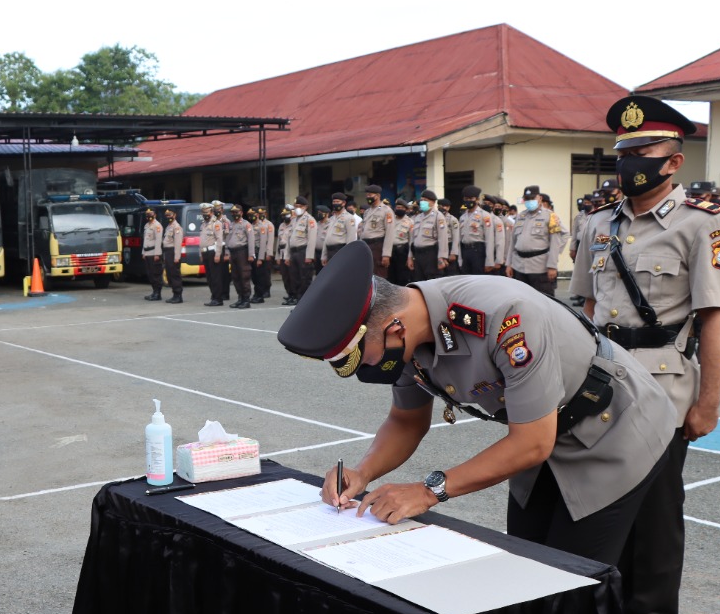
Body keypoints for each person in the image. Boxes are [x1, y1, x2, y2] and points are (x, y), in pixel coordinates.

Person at [276, 241, 675, 580]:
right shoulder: (405, 338)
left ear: (395, 329)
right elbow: (406, 419)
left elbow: (531, 443)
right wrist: (362, 473)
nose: (363, 370)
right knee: (528, 561)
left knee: (575, 573)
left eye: (360, 359)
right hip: (546, 428)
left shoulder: (506, 317)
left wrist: (429, 490)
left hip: (613, 425)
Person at [569, 94, 720, 614]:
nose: (631, 161)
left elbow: (714, 322)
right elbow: (583, 308)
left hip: (664, 384)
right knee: (593, 499)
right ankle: (600, 603)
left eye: (645, 151)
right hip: (599, 381)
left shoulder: (703, 223)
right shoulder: (597, 222)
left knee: (656, 511)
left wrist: (708, 404)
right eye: (624, 151)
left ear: (673, 162)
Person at [509, 185, 566, 296]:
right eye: (527, 199)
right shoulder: (520, 216)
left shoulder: (550, 216)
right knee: (522, 299)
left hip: (540, 267)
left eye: (532, 198)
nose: (530, 201)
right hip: (519, 266)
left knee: (544, 300)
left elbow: (555, 242)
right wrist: (509, 264)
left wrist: (552, 266)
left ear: (539, 198)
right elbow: (513, 242)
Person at [408, 190, 449, 281]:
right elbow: (412, 239)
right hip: (418, 254)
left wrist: (441, 257)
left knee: (432, 281)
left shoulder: (438, 216)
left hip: (431, 255)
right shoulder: (418, 217)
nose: (423, 202)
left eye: (426, 200)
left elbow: (443, 238)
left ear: (433, 202)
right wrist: (410, 257)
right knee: (419, 282)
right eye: (422, 200)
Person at [285, 196, 318, 304]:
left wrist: (309, 256)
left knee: (305, 279)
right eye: (295, 206)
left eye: (299, 206)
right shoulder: (293, 219)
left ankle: (306, 304)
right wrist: (287, 256)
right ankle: (299, 303)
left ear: (305, 207)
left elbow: (312, 239)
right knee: (295, 279)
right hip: (294, 252)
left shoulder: (309, 220)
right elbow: (289, 239)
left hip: (303, 252)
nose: (297, 208)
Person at [358, 184, 396, 279]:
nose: (368, 197)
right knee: (366, 274)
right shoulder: (367, 211)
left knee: (379, 276)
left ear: (378, 196)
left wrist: (386, 254)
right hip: (366, 246)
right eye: (367, 195)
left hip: (378, 246)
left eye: (370, 195)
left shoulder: (386, 211)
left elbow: (390, 233)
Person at [457, 185, 496, 275]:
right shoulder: (462, 217)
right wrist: (460, 259)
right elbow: (459, 240)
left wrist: (489, 261)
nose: (468, 201)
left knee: (478, 279)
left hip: (478, 252)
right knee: (466, 279)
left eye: (471, 198)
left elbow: (489, 239)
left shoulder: (485, 215)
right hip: (465, 251)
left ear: (477, 200)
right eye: (466, 198)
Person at [225, 204, 256, 308]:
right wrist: (227, 253)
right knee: (235, 277)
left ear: (241, 213)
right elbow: (228, 240)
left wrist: (251, 254)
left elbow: (251, 240)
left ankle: (246, 299)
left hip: (242, 252)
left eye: (237, 212)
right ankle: (240, 298)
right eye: (233, 212)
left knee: (244, 276)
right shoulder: (231, 224)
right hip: (233, 252)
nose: (235, 214)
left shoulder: (246, 224)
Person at [198, 202, 226, 306]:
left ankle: (218, 298)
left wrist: (218, 254)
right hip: (205, 252)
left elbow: (219, 240)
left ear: (211, 212)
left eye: (207, 212)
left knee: (215, 277)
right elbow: (202, 240)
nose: (205, 214)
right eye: (203, 212)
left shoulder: (216, 223)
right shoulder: (203, 224)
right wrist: (201, 254)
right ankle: (214, 296)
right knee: (209, 277)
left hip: (213, 252)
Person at [321, 192, 358, 265]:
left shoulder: (349, 218)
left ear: (343, 203)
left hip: (340, 251)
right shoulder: (331, 219)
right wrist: (324, 256)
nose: (335, 203)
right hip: (329, 251)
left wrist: (348, 256)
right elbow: (326, 239)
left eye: (337, 202)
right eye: (334, 202)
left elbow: (351, 238)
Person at [250, 205, 275, 303]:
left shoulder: (268, 225)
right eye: (259, 213)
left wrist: (269, 253)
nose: (261, 215)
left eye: (262, 213)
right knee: (256, 275)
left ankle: (265, 290)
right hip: (255, 252)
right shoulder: (252, 225)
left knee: (264, 273)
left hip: (263, 252)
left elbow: (269, 241)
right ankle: (259, 293)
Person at [161, 207, 184, 303]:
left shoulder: (176, 227)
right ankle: (174, 294)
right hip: (167, 252)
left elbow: (178, 244)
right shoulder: (168, 227)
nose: (168, 217)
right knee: (169, 274)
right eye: (167, 215)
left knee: (174, 274)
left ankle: (178, 295)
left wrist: (177, 257)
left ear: (175, 215)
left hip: (173, 252)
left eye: (170, 214)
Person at [140, 208, 164, 301]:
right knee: (150, 274)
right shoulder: (146, 225)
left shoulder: (157, 226)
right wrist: (143, 252)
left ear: (155, 215)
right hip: (147, 252)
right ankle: (154, 292)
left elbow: (158, 241)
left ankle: (158, 293)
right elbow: (145, 240)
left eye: (151, 214)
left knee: (156, 274)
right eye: (148, 214)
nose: (149, 216)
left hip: (154, 253)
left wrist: (157, 254)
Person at [388, 199, 413, 285]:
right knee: (390, 277)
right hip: (390, 251)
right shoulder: (390, 220)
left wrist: (410, 257)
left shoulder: (410, 222)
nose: (399, 209)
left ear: (406, 210)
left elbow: (411, 241)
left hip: (402, 252)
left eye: (401, 208)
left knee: (402, 277)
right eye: (397, 207)